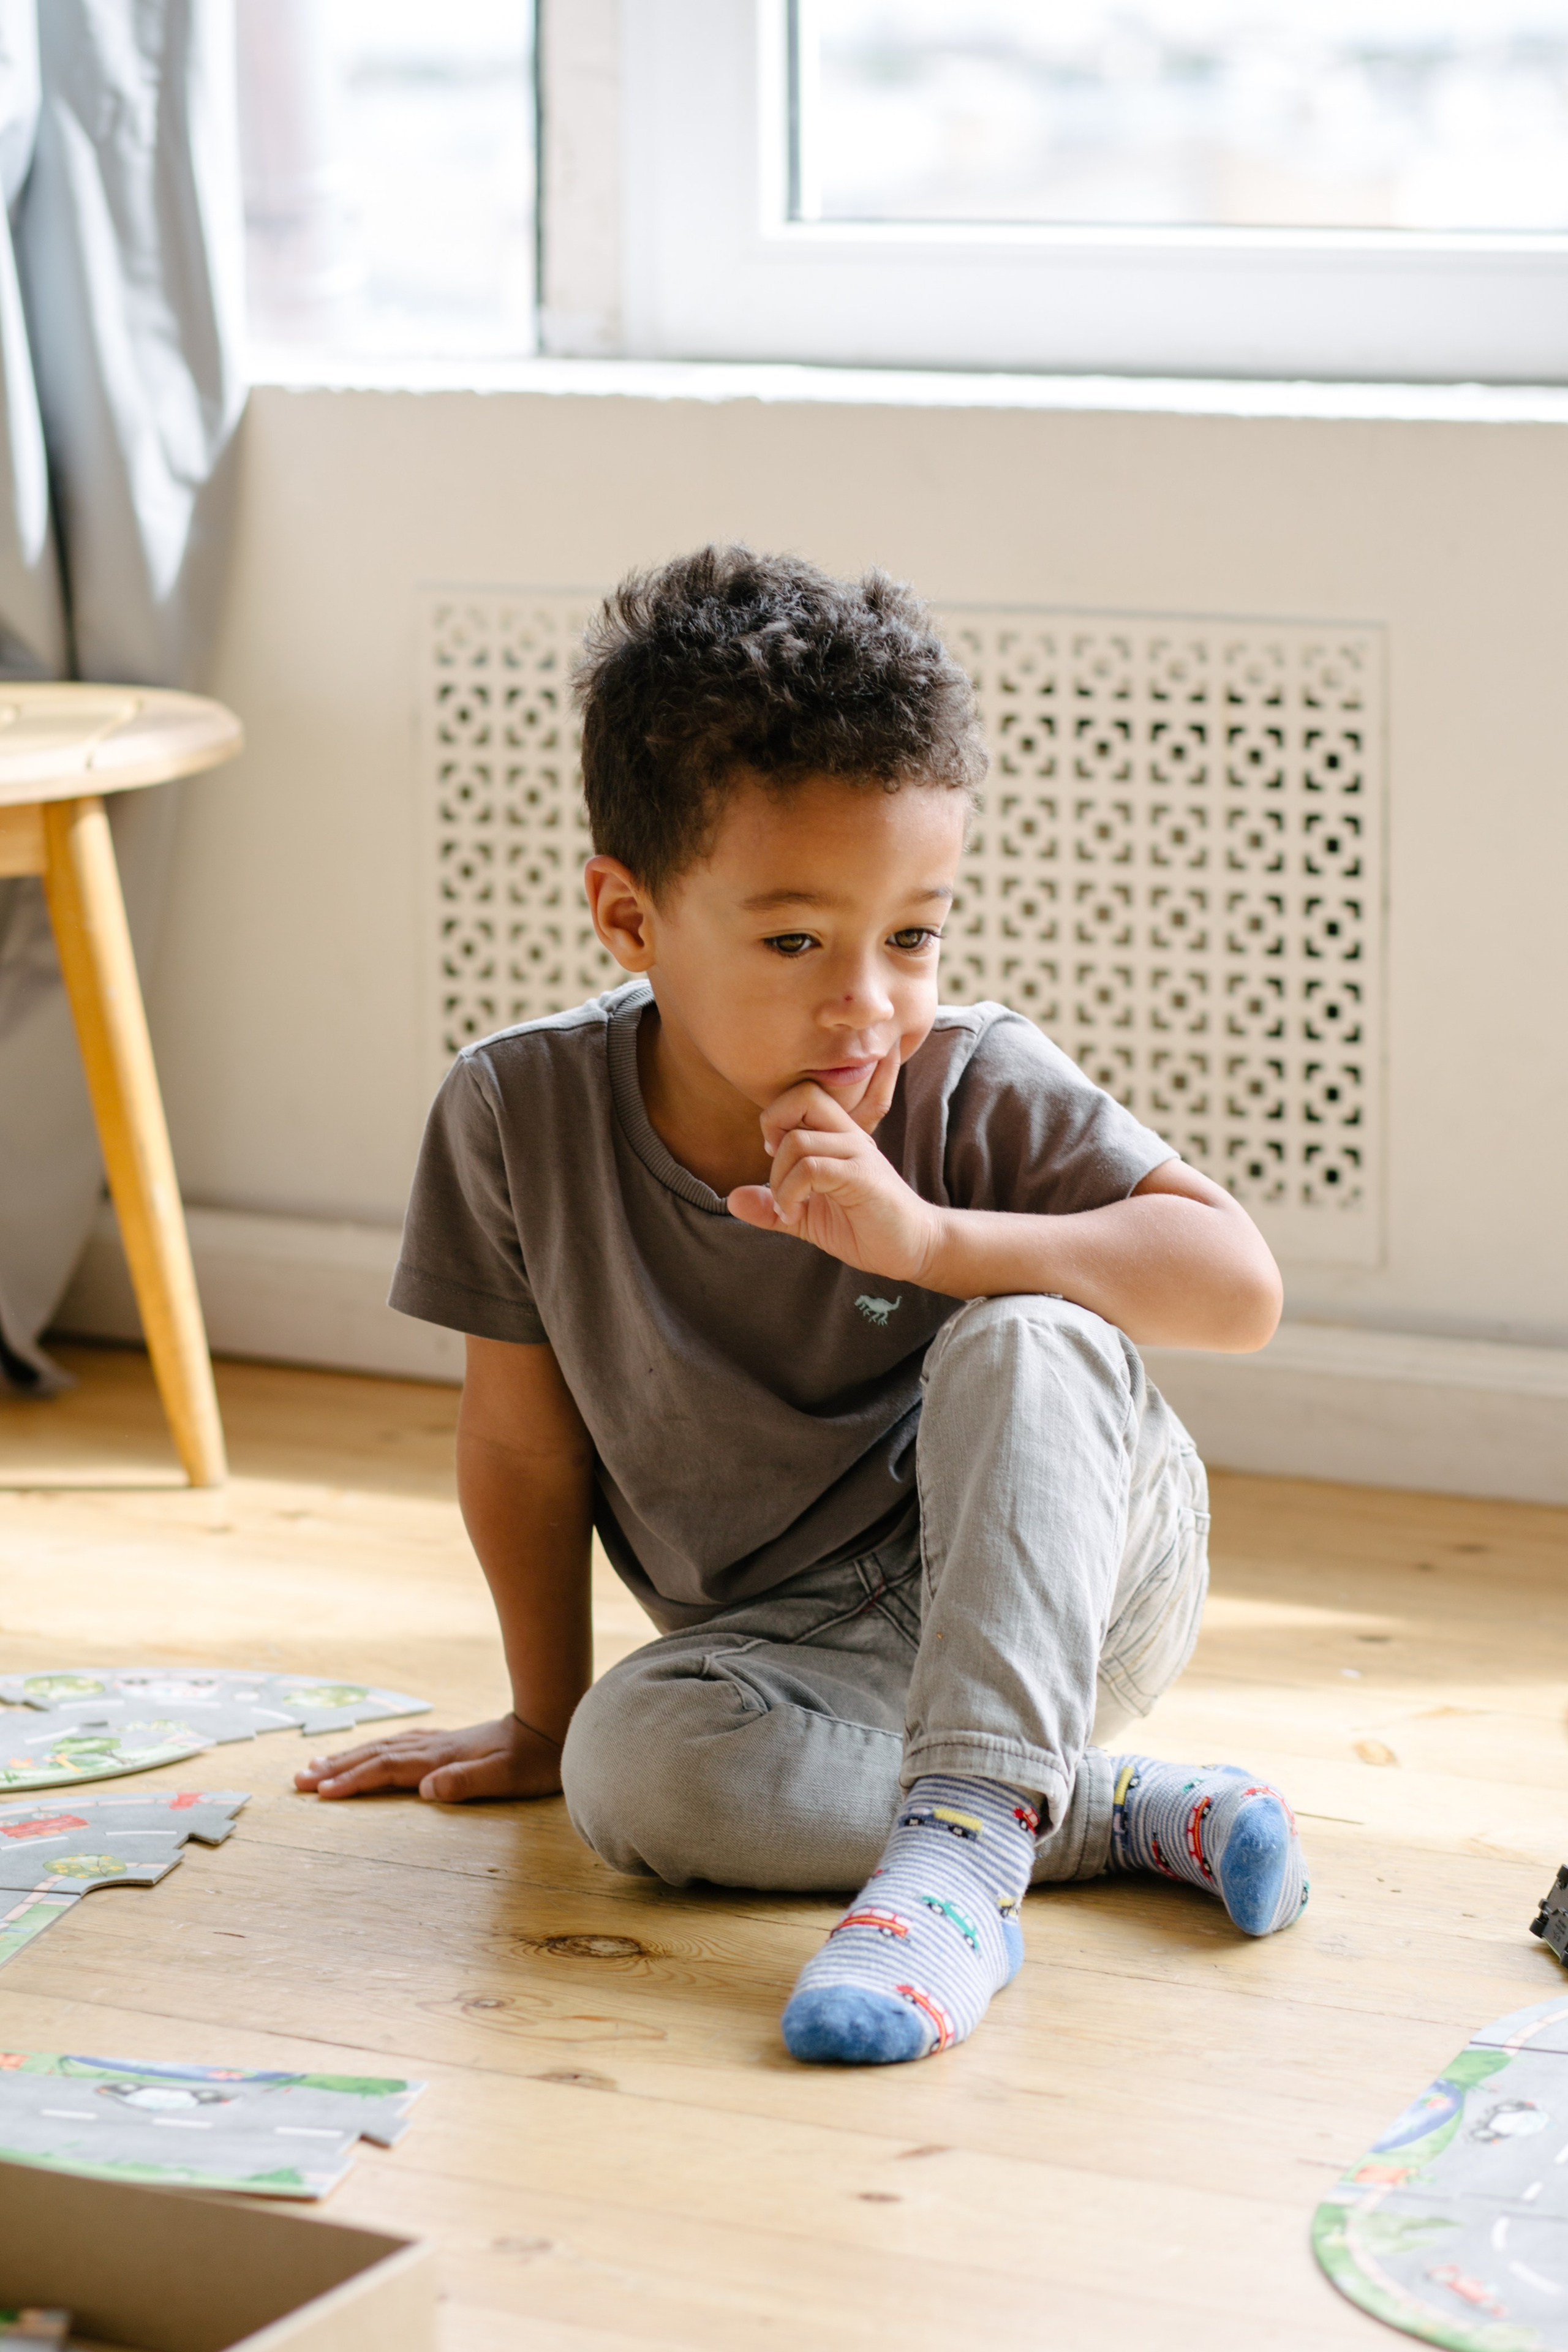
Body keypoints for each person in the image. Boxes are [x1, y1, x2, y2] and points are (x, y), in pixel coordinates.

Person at [296, 546, 1306, 2067]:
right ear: (627, 919)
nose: (869, 1003)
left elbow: (1236, 1293)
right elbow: (519, 1443)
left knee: (1030, 1328)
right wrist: (541, 1714)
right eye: (795, 942)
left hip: (1070, 1584)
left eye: (912, 935)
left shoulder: (967, 1080)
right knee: (628, 1776)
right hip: (794, 1659)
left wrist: (925, 1238)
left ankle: (965, 1853)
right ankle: (1102, 1811)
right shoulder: (517, 1112)